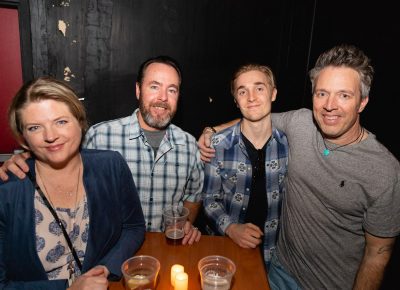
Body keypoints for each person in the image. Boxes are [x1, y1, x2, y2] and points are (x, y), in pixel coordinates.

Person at [198, 44, 400, 289]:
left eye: (344, 95)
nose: (330, 105)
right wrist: (211, 130)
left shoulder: (384, 170)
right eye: (322, 93)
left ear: (362, 102)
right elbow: (256, 115)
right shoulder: (302, 122)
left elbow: (378, 253)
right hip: (279, 270)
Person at [0, 56, 203, 245]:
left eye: (172, 90)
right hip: (112, 249)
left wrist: (184, 224)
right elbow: (57, 154)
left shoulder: (189, 145)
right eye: (154, 86)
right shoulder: (100, 136)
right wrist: (28, 160)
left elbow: (193, 196)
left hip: (166, 248)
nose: (162, 97)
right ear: (138, 90)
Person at [0, 77, 145, 289]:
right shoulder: (7, 191)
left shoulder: (111, 165)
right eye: (34, 128)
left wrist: (107, 267)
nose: (50, 136)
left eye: (61, 122)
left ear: (80, 121)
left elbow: (133, 226)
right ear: (23, 138)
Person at [201, 64, 288, 269]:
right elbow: (209, 199)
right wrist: (231, 228)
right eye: (242, 91)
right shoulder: (219, 144)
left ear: (273, 93)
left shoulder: (289, 143)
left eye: (259, 88)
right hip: (226, 250)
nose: (251, 97)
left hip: (277, 256)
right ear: (236, 101)